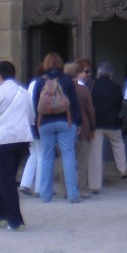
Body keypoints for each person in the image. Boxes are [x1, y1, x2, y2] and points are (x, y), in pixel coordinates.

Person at [0, 60, 35, 230]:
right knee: (8, 177)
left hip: (3, 139)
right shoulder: (23, 92)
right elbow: (31, 116)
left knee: (6, 179)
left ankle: (15, 220)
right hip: (22, 138)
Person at [32, 52, 82, 203]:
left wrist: (36, 126)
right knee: (68, 156)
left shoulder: (39, 82)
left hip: (45, 123)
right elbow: (74, 103)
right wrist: (78, 122)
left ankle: (45, 195)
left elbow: (35, 106)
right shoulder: (66, 81)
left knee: (46, 157)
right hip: (66, 121)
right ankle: (73, 194)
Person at [89, 62, 127, 192]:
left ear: (98, 73)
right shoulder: (116, 87)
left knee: (95, 153)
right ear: (111, 74)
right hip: (113, 121)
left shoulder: (92, 85)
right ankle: (123, 170)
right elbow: (119, 105)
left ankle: (95, 185)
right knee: (118, 144)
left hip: (97, 122)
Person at [65, 59, 96, 198]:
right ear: (77, 74)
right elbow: (91, 111)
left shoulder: (61, 88)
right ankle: (82, 189)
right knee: (82, 161)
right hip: (83, 128)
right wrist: (92, 129)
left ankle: (66, 189)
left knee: (66, 160)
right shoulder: (83, 90)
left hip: (65, 127)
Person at [18, 60, 44, 196]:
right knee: (41, 154)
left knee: (34, 153)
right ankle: (40, 188)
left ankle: (25, 183)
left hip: (29, 123)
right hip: (38, 122)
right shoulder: (43, 83)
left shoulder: (32, 83)